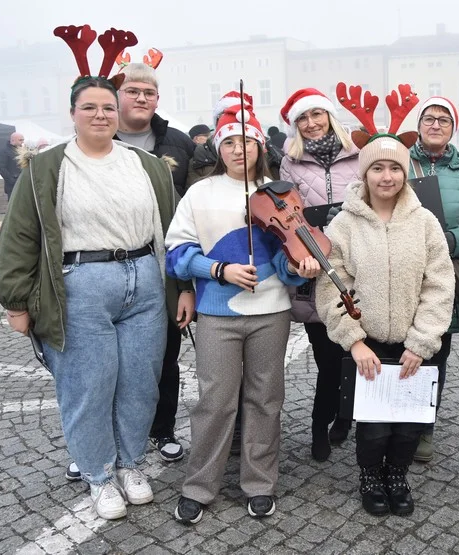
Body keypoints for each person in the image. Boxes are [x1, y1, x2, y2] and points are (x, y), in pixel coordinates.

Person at [0, 25, 194, 521]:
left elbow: (171, 230)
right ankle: (98, 473)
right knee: (89, 383)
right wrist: (17, 301)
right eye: (91, 107)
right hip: (81, 283)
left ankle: (130, 462)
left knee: (140, 383)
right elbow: (20, 235)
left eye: (108, 107)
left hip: (145, 280)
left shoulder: (146, 165)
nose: (101, 114)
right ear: (73, 114)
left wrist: (180, 287)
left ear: (118, 112)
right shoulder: (46, 167)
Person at [168, 104, 320, 524]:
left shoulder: (281, 191)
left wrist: (297, 267)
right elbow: (177, 253)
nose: (239, 149)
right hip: (217, 313)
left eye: (247, 141)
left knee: (265, 399)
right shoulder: (200, 192)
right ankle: (199, 486)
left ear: (259, 145)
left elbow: (291, 255)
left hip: (271, 312)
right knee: (214, 402)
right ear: (220, 148)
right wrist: (220, 270)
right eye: (230, 142)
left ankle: (259, 483)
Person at [316, 92, 455, 516]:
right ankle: (370, 476)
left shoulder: (425, 221)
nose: (387, 175)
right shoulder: (344, 223)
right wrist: (354, 341)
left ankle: (397, 475)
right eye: (378, 167)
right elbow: (331, 284)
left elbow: (440, 284)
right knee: (373, 427)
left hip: (414, 346)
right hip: (370, 344)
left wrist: (423, 340)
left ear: (405, 172)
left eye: (395, 167)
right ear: (365, 173)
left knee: (409, 425)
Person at [116, 62, 196, 464]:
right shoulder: (97, 139)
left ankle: (162, 428)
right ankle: (107, 436)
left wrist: (187, 282)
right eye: (133, 91)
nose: (141, 98)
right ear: (117, 94)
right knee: (108, 361)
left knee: (164, 355)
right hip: (109, 265)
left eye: (149, 92)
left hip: (164, 266)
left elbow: (196, 206)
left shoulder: (179, 143)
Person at [278, 87, 360, 461]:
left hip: (357, 268)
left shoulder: (357, 155)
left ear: (330, 117)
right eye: (303, 119)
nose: (311, 124)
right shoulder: (290, 163)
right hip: (315, 271)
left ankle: (345, 417)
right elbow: (288, 216)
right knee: (328, 358)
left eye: (317, 115)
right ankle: (319, 425)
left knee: (356, 352)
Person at [408, 96, 459, 462]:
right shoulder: (400, 162)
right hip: (403, 274)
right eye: (429, 118)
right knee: (396, 349)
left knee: (435, 355)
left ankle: (425, 426)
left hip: (445, 277)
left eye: (444, 119)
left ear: (453, 128)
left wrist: (456, 240)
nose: (436, 124)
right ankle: (391, 422)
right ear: (420, 124)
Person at [0, 132, 24, 200]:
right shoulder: (4, 151)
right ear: (13, 140)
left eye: (23, 140)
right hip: (12, 186)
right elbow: (1, 168)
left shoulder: (21, 151)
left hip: (23, 184)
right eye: (20, 140)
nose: (22, 142)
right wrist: (12, 181)